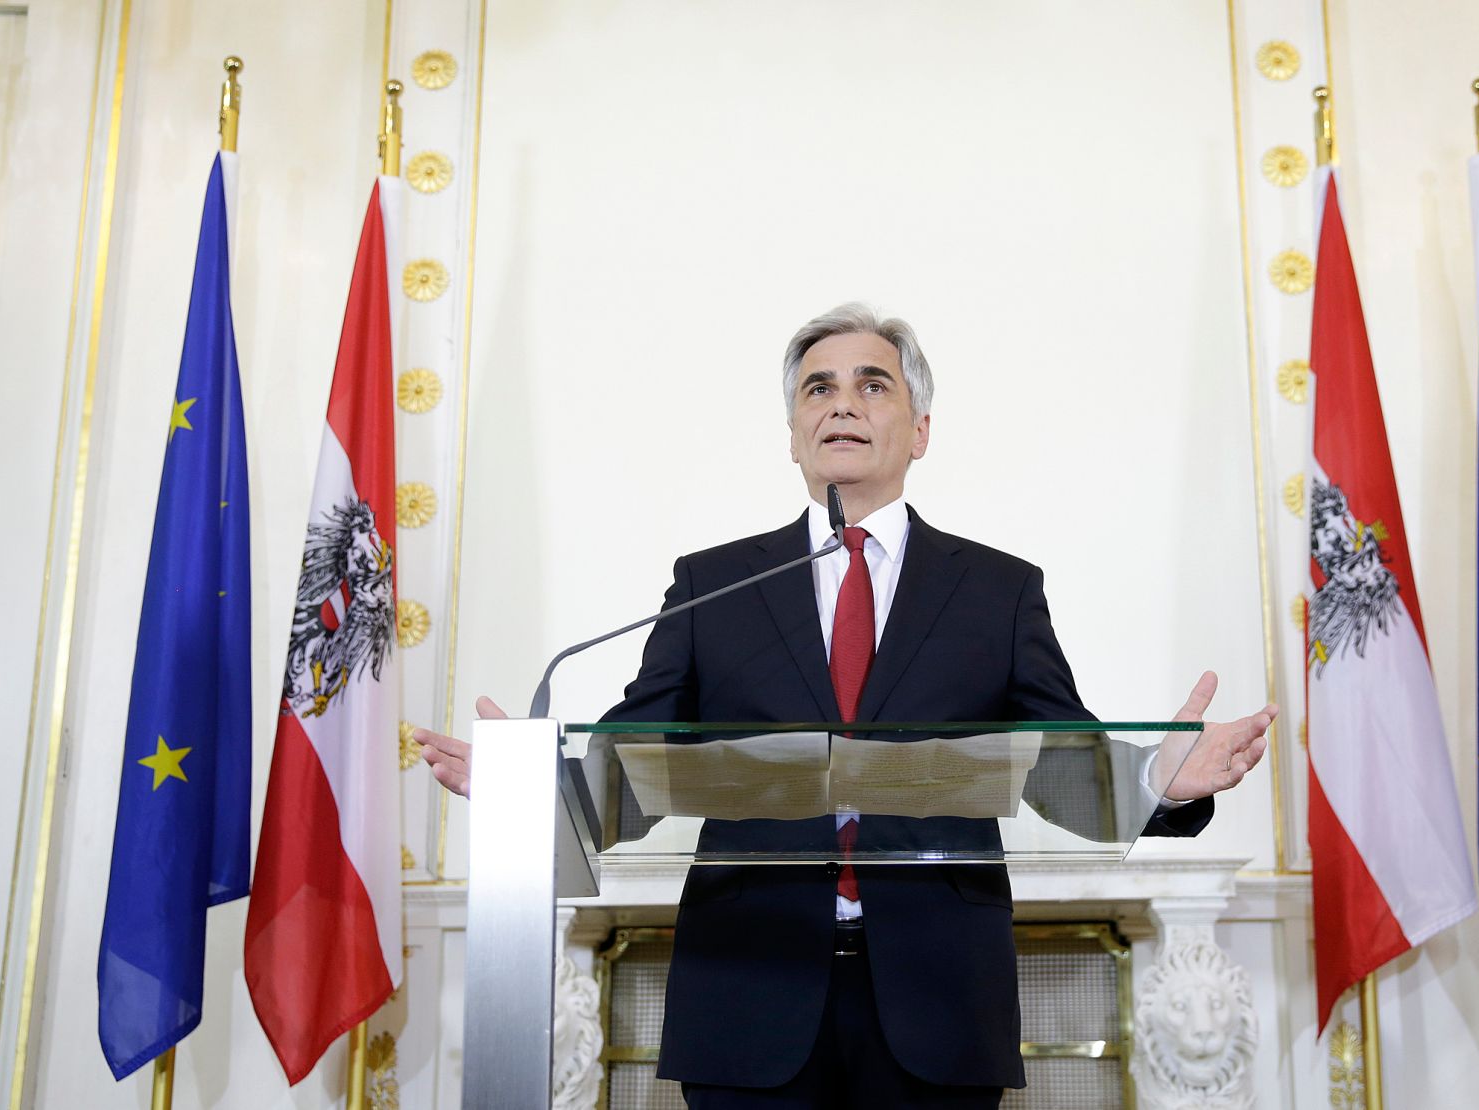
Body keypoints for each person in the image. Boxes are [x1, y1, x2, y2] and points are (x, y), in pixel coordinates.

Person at [418, 303, 1275, 1109]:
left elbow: (1062, 767)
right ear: (793, 433)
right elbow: (636, 761)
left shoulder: (998, 591)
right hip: (748, 991)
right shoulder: (711, 586)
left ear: (921, 430)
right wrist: (531, 792)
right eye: (817, 389)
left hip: (939, 1000)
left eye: (873, 384)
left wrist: (1163, 779)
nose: (842, 405)